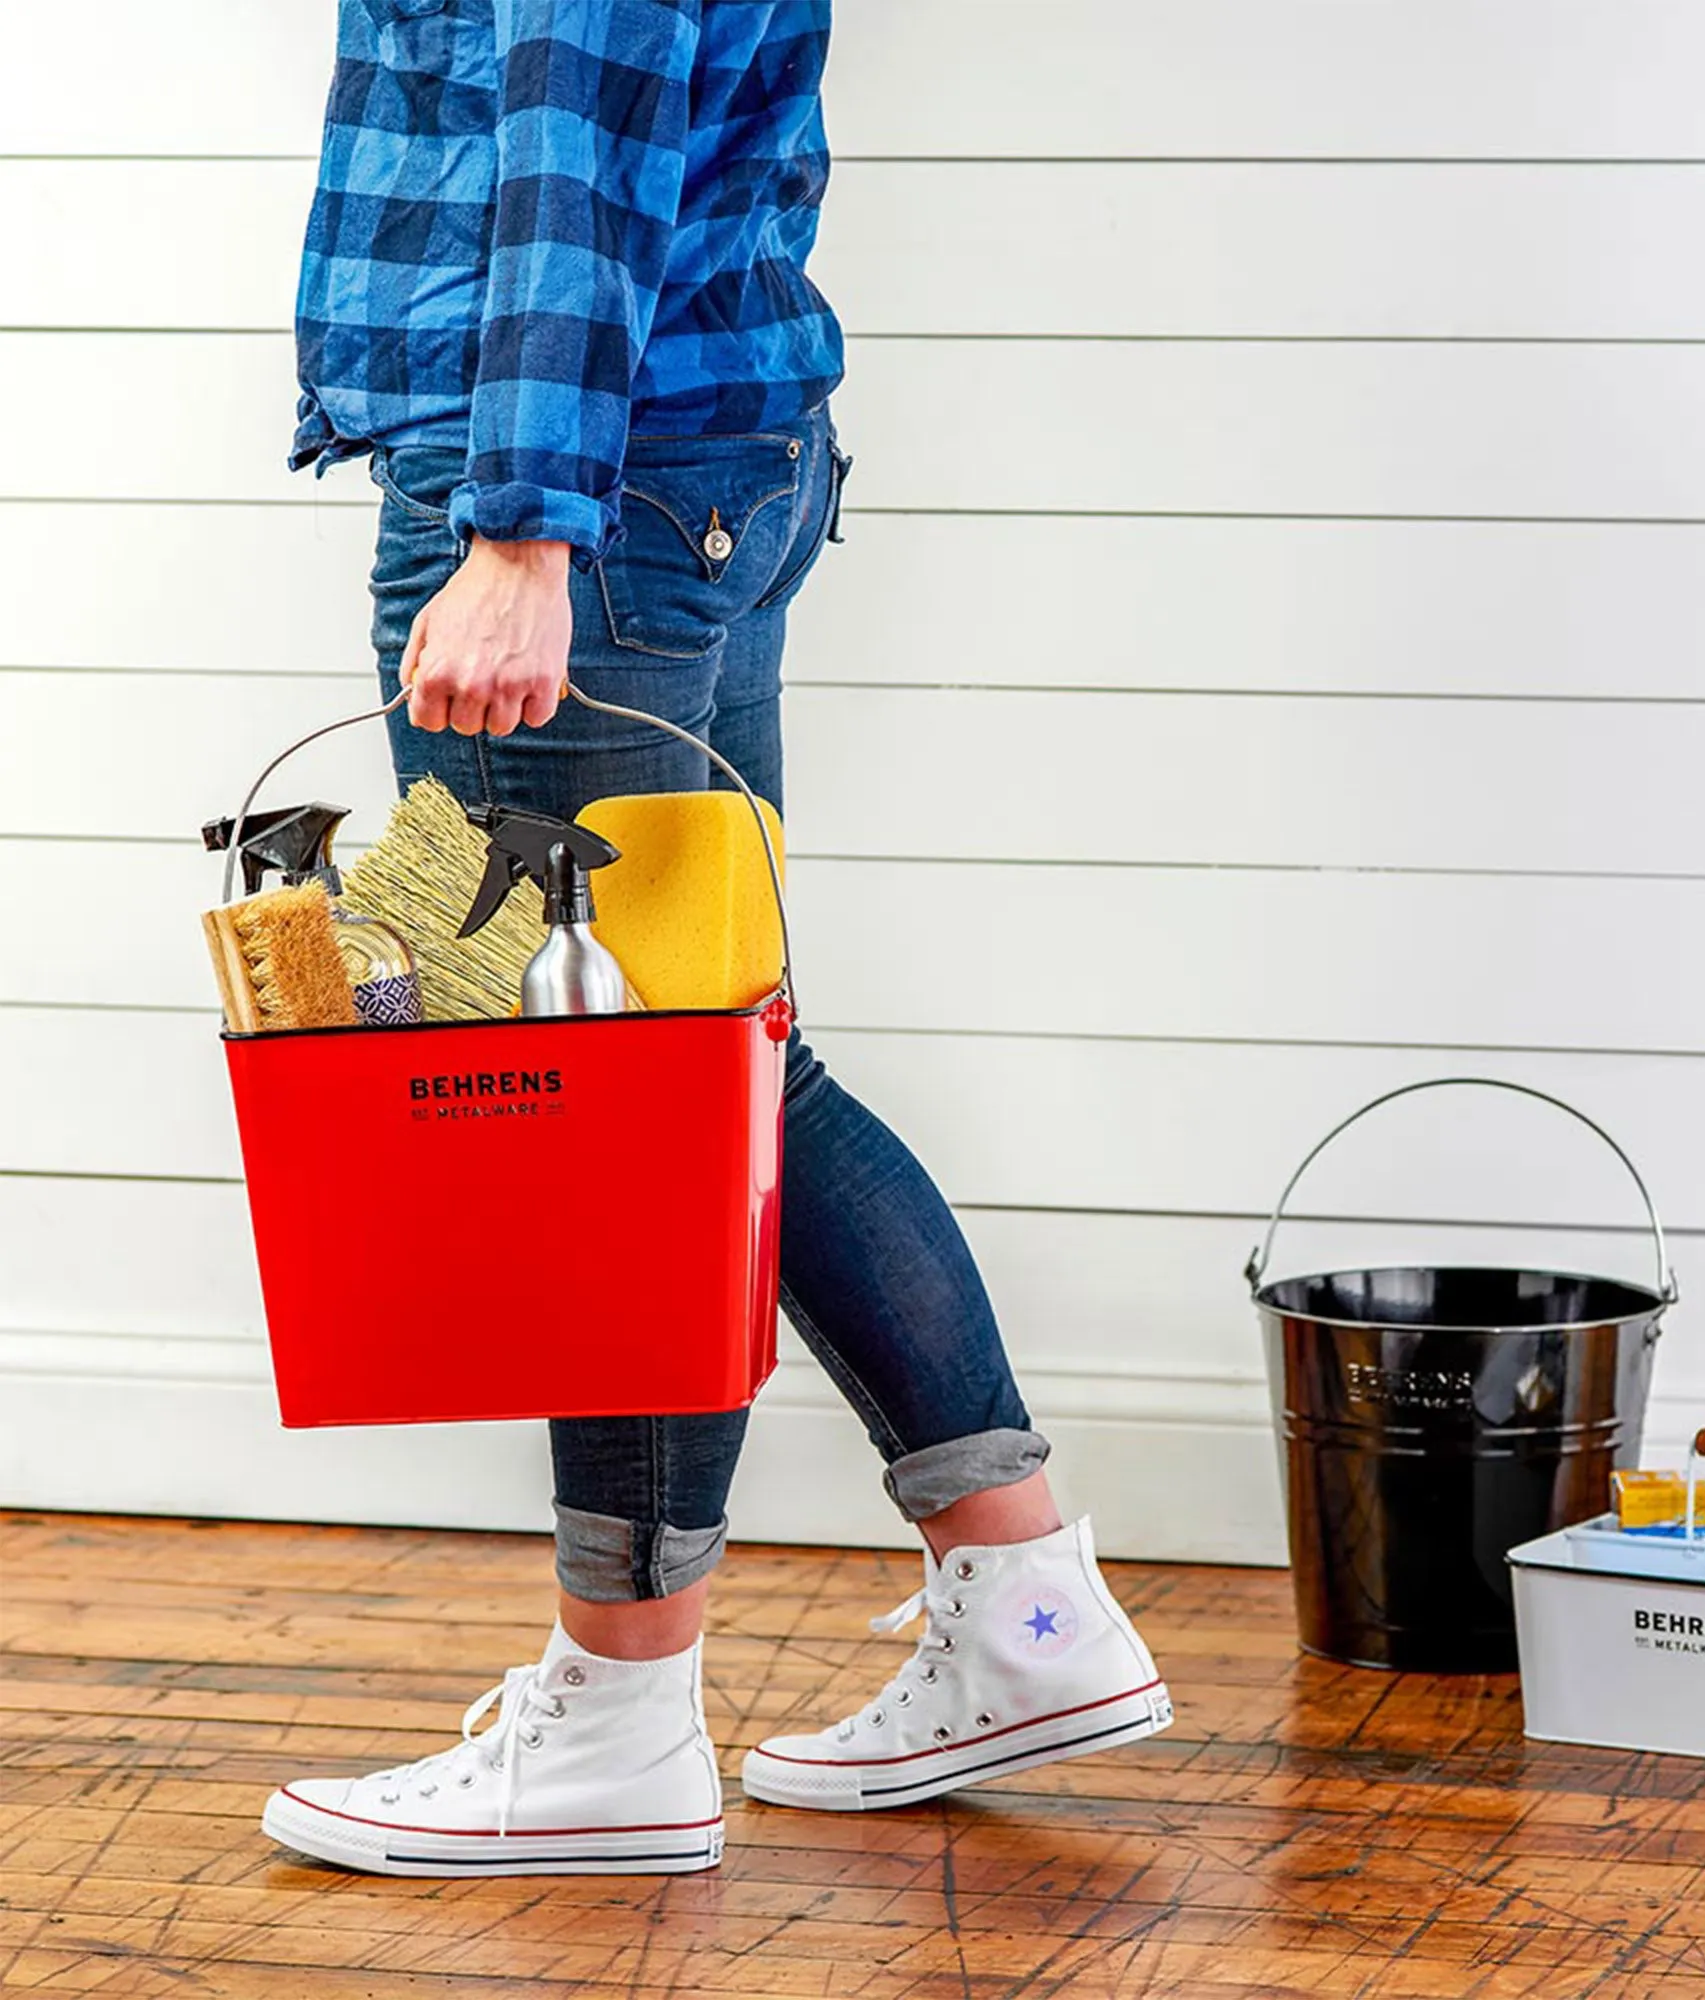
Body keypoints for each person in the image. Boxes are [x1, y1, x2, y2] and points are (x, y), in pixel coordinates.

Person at [259, 0, 1172, 1876]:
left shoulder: (534, 520)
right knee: (723, 1066)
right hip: (684, 464)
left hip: (574, 493)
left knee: (629, 1109)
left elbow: (571, 150)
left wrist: (519, 530)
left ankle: (617, 1716)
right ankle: (1029, 1611)